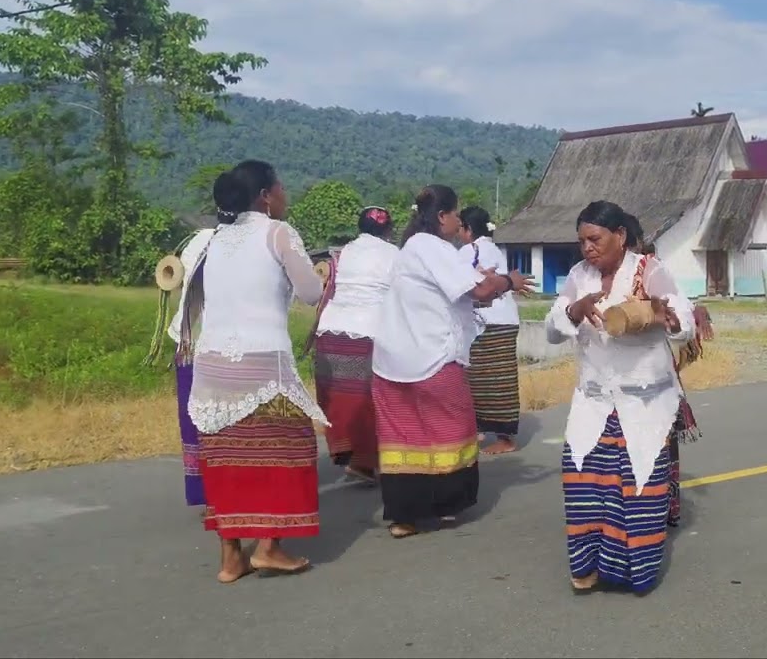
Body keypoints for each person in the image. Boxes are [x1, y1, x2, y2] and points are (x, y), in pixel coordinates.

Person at [179, 160, 324, 583]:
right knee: (286, 453)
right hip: (263, 365)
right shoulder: (278, 233)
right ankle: (269, 547)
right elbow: (311, 293)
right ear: (266, 195)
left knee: (227, 459)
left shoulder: (213, 238)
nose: (284, 193)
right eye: (281, 186)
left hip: (212, 366)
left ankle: (230, 559)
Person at [545, 201, 696, 593]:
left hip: (644, 402)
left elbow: (683, 320)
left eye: (595, 239)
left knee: (637, 488)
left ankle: (633, 573)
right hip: (594, 401)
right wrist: (574, 310)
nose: (587, 249)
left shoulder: (650, 270)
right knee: (582, 481)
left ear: (620, 236)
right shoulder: (579, 276)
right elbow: (551, 328)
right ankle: (586, 567)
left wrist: (671, 318)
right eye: (582, 242)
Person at [370, 185, 535, 538]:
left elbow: (455, 296)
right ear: (442, 216)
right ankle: (444, 504)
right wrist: (508, 281)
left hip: (390, 360)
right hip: (430, 355)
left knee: (404, 435)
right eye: (455, 213)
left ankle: (404, 515)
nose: (459, 220)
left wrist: (490, 286)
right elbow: (478, 290)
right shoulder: (433, 247)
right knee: (451, 425)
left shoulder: (408, 250)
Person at [622, 212, 707, 528]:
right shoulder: (593, 279)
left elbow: (683, 326)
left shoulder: (655, 276)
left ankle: (657, 513)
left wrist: (670, 323)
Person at [308, 206, 400, 482]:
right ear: (387, 230)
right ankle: (366, 461)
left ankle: (350, 453)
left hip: (331, 331)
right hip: (368, 332)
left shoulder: (343, 252)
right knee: (372, 401)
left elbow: (330, 291)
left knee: (339, 399)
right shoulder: (395, 254)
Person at [457, 206, 523, 455]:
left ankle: (503, 438)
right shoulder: (495, 249)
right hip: (504, 320)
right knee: (496, 380)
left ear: (468, 229)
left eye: (461, 227)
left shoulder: (469, 251)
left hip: (487, 322)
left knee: (483, 380)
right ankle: (483, 429)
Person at [166, 226, 216, 509]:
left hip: (191, 340)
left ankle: (207, 491)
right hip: (212, 345)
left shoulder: (198, 239)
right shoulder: (241, 241)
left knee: (195, 419)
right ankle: (219, 492)